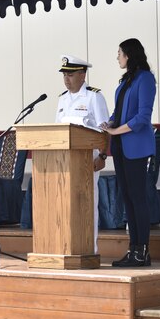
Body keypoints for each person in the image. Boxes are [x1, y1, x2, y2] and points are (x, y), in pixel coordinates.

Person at [101, 38, 157, 267]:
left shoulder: (146, 78)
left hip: (136, 147)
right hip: (121, 147)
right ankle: (133, 248)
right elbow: (119, 111)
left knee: (138, 199)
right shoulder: (126, 80)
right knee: (127, 199)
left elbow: (143, 117)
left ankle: (142, 250)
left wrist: (116, 130)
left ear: (129, 55)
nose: (117, 57)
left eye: (120, 53)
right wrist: (109, 123)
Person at [56, 55, 109, 253]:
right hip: (63, 163)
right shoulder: (62, 99)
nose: (66, 79)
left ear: (82, 74)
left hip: (88, 161)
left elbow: (104, 130)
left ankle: (89, 250)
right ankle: (67, 248)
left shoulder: (94, 97)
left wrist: (102, 156)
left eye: (70, 74)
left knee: (87, 206)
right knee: (65, 206)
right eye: (64, 75)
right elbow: (58, 132)